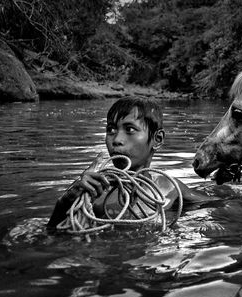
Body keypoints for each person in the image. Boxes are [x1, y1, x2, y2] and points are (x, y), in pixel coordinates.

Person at [46, 96, 214, 231]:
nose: (117, 140)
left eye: (130, 130)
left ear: (157, 139)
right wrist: (66, 200)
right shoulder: (93, 191)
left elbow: (214, 205)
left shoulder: (169, 187)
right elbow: (53, 233)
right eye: (111, 130)